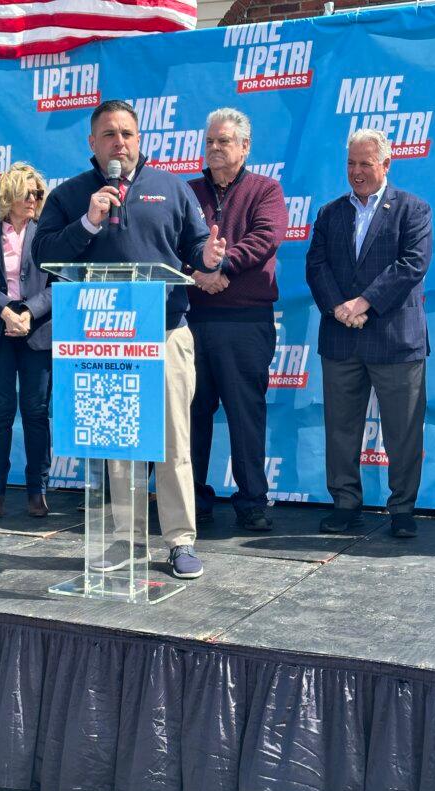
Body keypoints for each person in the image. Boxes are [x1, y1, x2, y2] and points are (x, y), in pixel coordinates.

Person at [33, 99, 226, 579]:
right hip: (105, 341)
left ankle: (180, 540)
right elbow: (44, 254)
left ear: (140, 140)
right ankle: (127, 540)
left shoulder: (171, 188)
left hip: (163, 334)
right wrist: (89, 222)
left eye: (128, 134)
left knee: (173, 444)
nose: (120, 142)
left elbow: (196, 251)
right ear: (92, 143)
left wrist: (209, 256)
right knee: (119, 447)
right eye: (110, 134)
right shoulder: (72, 194)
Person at [306, 128, 432, 538]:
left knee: (403, 430)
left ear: (385, 165)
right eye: (350, 163)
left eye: (365, 163)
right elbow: (316, 267)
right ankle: (345, 504)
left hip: (396, 339)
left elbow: (412, 264)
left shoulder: (413, 209)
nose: (356, 172)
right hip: (342, 338)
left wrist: (362, 303)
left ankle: (402, 510)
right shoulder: (329, 213)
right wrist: (340, 308)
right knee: (341, 428)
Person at [187, 108, 288, 531]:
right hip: (191, 320)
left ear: (244, 147)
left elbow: (266, 238)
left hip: (246, 322)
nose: (214, 148)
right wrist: (196, 273)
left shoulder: (266, 190)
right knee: (190, 417)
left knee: (246, 416)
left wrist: (220, 267)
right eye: (209, 141)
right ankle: (192, 501)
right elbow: (170, 242)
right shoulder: (188, 191)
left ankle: (251, 503)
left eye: (223, 141)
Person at [0, 163, 52, 519]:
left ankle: (37, 492)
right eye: (27, 192)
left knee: (35, 413)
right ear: (10, 196)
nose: (33, 199)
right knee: (0, 414)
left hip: (36, 333)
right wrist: (6, 312)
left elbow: (56, 286)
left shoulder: (48, 235)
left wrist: (29, 314)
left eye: (38, 193)